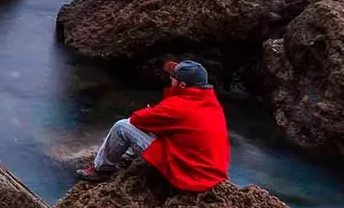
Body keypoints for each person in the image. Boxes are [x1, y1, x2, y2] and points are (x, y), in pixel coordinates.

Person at [76, 59, 230, 191]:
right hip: (212, 173)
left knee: (122, 126)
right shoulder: (211, 103)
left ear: (182, 85)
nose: (170, 78)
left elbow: (137, 120)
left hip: (189, 175)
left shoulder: (179, 106)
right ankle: (127, 155)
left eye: (173, 77)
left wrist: (151, 111)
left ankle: (101, 169)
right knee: (158, 128)